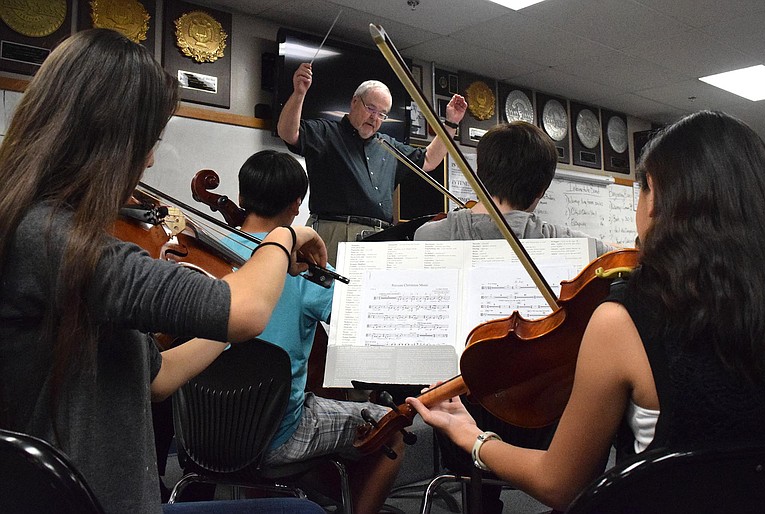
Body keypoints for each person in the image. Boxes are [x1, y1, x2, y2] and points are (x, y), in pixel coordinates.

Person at [0, 29, 327, 514]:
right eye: (148, 141)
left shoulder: (35, 227)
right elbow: (249, 308)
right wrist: (284, 236)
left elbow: (156, 377)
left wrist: (222, 327)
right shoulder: (54, 241)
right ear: (108, 138)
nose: (150, 158)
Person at [407, 111, 765, 511]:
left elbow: (560, 484)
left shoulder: (624, 320)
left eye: (642, 190)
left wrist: (472, 436)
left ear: (658, 198)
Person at [413, 121, 615, 513]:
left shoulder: (430, 238)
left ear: (481, 177)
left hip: (461, 423)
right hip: (548, 432)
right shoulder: (586, 251)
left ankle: (480, 499)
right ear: (542, 189)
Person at [218, 149, 404, 514]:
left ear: (240, 197)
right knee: (391, 430)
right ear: (297, 205)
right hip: (277, 437)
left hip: (207, 429)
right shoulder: (303, 266)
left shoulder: (205, 252)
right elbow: (358, 323)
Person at [277, 61, 468, 264]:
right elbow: (288, 133)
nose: (375, 118)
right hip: (335, 234)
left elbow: (429, 160)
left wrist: (451, 123)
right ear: (354, 102)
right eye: (371, 108)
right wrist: (299, 94)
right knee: (329, 295)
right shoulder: (326, 133)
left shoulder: (387, 145)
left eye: (382, 114)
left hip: (380, 238)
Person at [414, 121, 615, 258]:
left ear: (479, 173)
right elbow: (623, 258)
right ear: (542, 190)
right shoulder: (569, 244)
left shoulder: (427, 237)